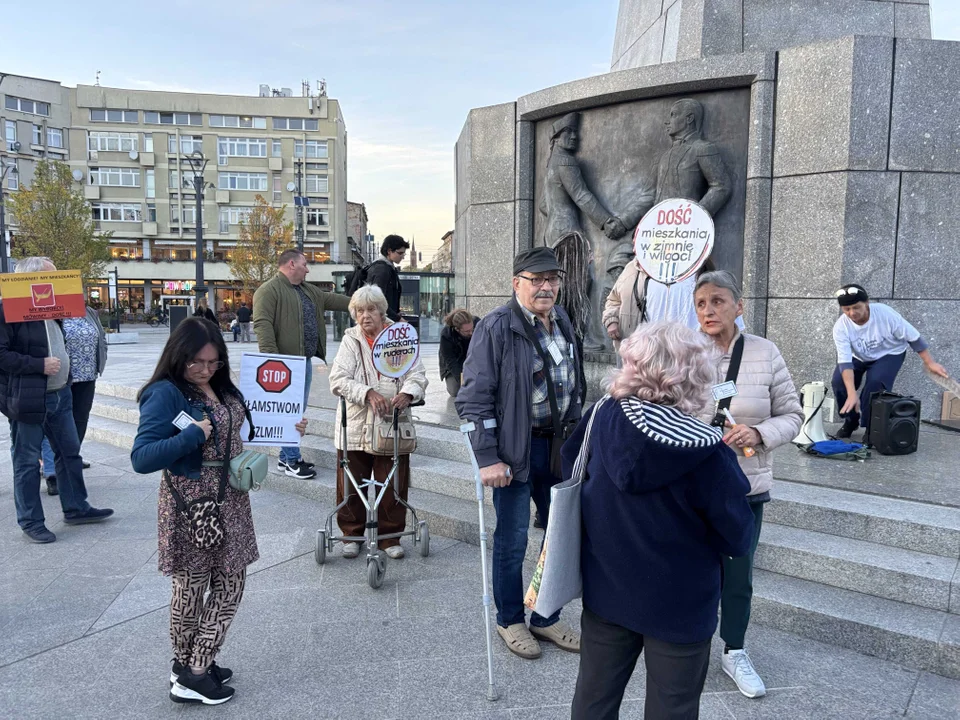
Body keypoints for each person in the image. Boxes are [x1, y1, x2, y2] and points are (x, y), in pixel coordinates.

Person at [567, 322, 755, 720]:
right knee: (674, 708)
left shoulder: (602, 416)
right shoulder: (708, 451)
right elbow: (738, 539)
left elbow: (568, 469)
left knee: (594, 700)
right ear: (693, 375)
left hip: (607, 589)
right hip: (681, 604)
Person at [130, 318, 308, 706]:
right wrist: (193, 435)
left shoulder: (219, 385)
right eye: (196, 362)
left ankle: (193, 663)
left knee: (229, 580)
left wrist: (289, 428)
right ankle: (192, 671)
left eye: (213, 362)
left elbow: (238, 432)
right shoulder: (165, 392)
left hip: (230, 499)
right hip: (192, 504)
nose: (205, 370)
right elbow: (141, 458)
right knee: (193, 587)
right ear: (178, 356)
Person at [456, 246, 583, 660]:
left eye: (552, 279)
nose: (546, 286)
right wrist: (488, 457)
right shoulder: (495, 327)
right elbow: (473, 399)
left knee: (558, 537)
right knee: (511, 540)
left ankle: (545, 617)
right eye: (537, 279)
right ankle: (510, 618)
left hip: (559, 448)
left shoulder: (562, 319)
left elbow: (574, 384)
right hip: (515, 450)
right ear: (517, 283)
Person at [694, 270, 803, 699]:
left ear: (739, 306)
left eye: (718, 301)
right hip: (693, 486)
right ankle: (687, 644)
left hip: (745, 485)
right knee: (691, 570)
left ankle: (734, 649)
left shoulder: (765, 352)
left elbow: (793, 415)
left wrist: (758, 434)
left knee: (737, 575)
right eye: (701, 303)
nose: (708, 311)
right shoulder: (684, 353)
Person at [0, 257, 114, 543]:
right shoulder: (7, 310)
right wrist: (38, 365)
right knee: (26, 460)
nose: (57, 282)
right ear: (31, 281)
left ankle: (76, 507)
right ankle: (31, 521)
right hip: (29, 397)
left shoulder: (52, 309)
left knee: (69, 452)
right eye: (51, 277)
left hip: (61, 391)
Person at [328, 285, 428, 559]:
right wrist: (367, 393)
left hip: (391, 423)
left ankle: (390, 537)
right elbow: (338, 380)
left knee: (393, 482)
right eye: (360, 310)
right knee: (350, 484)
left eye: (371, 309)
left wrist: (408, 393)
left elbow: (417, 375)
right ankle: (351, 534)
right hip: (356, 423)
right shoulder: (351, 340)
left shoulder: (400, 338)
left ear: (383, 311)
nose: (365, 316)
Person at [254, 248, 350, 479]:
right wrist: (273, 361)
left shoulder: (308, 290)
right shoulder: (268, 291)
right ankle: (292, 461)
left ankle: (284, 457)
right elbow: (262, 324)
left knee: (295, 409)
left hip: (303, 360)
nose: (308, 269)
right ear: (291, 265)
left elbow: (333, 300)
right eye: (304, 264)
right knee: (290, 411)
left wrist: (363, 302)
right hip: (283, 363)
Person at [832, 284, 948, 439]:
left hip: (890, 353)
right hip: (859, 356)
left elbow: (913, 338)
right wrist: (852, 393)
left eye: (856, 307)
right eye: (846, 309)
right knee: (839, 382)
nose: (851, 313)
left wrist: (930, 362)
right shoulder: (841, 326)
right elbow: (845, 362)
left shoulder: (884, 314)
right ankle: (851, 421)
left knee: (876, 384)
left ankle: (871, 428)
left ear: (867, 302)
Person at [41, 303, 109, 495]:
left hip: (88, 375)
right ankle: (52, 472)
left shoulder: (87, 311)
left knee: (79, 421)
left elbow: (100, 335)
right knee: (56, 424)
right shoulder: (51, 311)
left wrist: (101, 356)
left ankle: (70, 462)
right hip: (61, 378)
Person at [603, 257, 731, 348]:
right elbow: (615, 299)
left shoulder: (702, 269)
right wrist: (612, 320)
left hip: (690, 350)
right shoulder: (636, 267)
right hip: (646, 349)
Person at [365, 234, 409, 321]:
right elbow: (377, 301)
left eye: (404, 253)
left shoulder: (387, 268)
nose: (403, 256)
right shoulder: (382, 270)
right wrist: (397, 318)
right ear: (389, 251)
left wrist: (395, 313)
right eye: (400, 253)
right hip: (379, 323)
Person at [439, 308, 478, 398]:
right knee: (456, 390)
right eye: (467, 331)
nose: (471, 333)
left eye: (472, 329)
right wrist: (462, 380)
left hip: (473, 360)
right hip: (456, 362)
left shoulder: (478, 324)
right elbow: (451, 361)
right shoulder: (446, 335)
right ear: (457, 329)